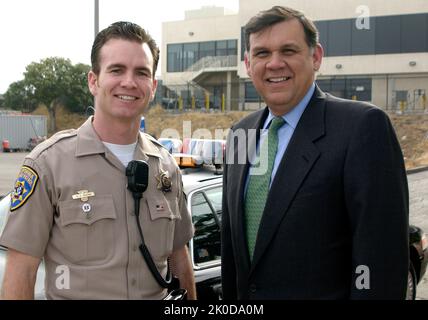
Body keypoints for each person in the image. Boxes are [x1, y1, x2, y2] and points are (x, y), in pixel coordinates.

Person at [221, 6, 409, 299]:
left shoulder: (361, 128)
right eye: (261, 53)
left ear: (316, 56)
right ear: (247, 63)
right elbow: (233, 254)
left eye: (288, 50)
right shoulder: (239, 135)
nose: (274, 63)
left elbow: (381, 260)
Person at [0, 21, 196, 300]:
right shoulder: (47, 165)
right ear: (94, 80)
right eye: (116, 70)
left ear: (152, 86)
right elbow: (22, 273)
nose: (129, 82)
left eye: (141, 72)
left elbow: (179, 257)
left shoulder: (166, 167)